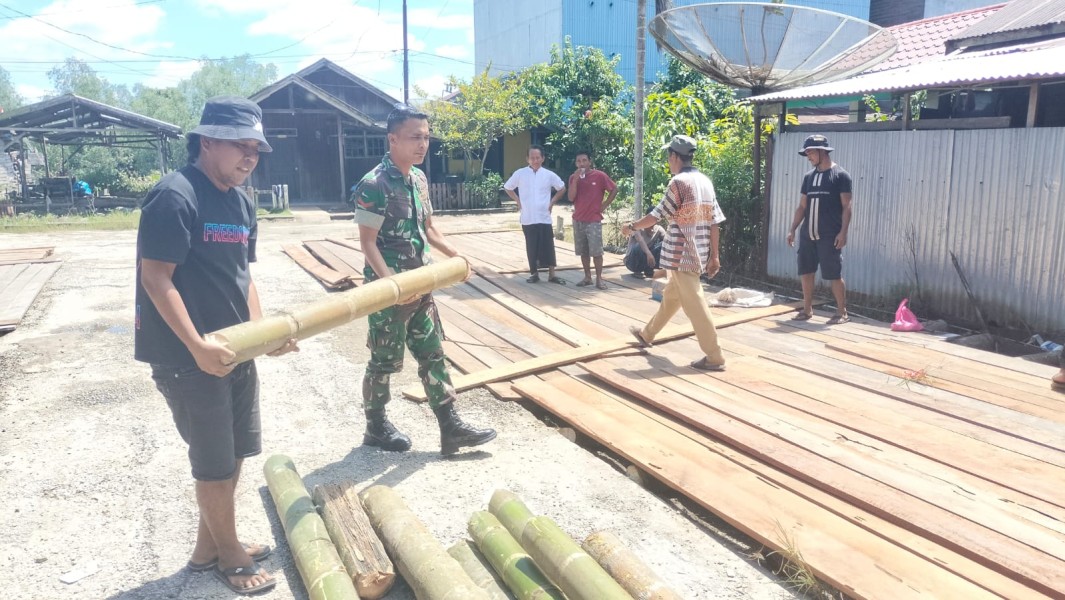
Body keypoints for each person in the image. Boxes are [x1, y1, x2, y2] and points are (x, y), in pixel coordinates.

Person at [135, 96, 298, 596]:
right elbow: (156, 280)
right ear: (207, 142)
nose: (249, 158)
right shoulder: (175, 196)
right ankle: (230, 556)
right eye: (239, 147)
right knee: (212, 459)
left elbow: (242, 276)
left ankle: (208, 548)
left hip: (234, 348)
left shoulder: (243, 202)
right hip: (187, 357)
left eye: (255, 149)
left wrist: (262, 332)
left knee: (236, 451)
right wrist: (197, 347)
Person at [354, 104, 497, 456]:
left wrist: (457, 256)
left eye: (426, 137)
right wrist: (392, 287)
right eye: (415, 137)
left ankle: (451, 427)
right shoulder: (374, 184)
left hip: (421, 284)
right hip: (387, 292)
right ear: (392, 139)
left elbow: (429, 228)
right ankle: (375, 427)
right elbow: (367, 244)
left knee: (433, 353)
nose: (422, 144)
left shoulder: (418, 179)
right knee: (385, 361)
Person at [623, 134, 727, 371]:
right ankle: (647, 334)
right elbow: (714, 222)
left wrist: (631, 227)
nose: (668, 162)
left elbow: (655, 216)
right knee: (672, 297)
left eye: (668, 157)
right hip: (698, 251)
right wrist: (715, 255)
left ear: (673, 156)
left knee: (696, 305)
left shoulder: (678, 183)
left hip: (682, 255)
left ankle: (714, 356)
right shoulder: (705, 182)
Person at [786, 134, 853, 324]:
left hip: (830, 235)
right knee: (806, 271)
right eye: (806, 153)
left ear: (823, 151)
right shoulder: (809, 177)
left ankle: (842, 313)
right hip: (808, 234)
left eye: (811, 152)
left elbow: (847, 206)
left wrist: (843, 232)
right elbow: (802, 206)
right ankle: (806, 310)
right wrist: (792, 229)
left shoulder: (841, 175)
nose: (808, 157)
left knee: (834, 274)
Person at [504, 145, 567, 284]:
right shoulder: (520, 173)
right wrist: (517, 200)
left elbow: (562, 188)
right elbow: (508, 187)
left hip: (544, 216)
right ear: (527, 159)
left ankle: (552, 274)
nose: (535, 160)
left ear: (543, 158)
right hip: (528, 216)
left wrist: (552, 202)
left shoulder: (549, 174)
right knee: (531, 246)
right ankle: (534, 273)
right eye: (532, 158)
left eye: (538, 157)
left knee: (548, 245)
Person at [567, 150, 618, 289]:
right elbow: (571, 197)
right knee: (583, 251)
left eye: (584, 160)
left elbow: (614, 188)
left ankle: (599, 279)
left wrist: (605, 205)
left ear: (589, 161)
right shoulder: (573, 177)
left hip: (594, 219)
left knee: (596, 251)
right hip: (578, 219)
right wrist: (576, 180)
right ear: (576, 163)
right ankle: (587, 277)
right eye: (579, 161)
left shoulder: (599, 176)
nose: (581, 163)